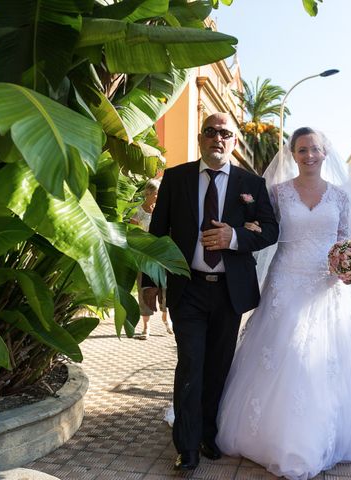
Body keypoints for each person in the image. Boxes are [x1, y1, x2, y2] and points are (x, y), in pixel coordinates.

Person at [215, 127, 351, 480]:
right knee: (287, 353)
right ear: (293, 154)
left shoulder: (339, 197)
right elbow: (264, 231)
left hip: (327, 286)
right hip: (285, 283)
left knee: (327, 360)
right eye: (302, 149)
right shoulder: (277, 193)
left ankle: (326, 435)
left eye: (315, 149)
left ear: (326, 153)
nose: (309, 155)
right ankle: (280, 437)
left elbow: (346, 240)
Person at [142, 112, 279, 471]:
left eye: (225, 133)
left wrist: (234, 237)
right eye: (210, 132)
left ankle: (207, 433)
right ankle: (186, 446)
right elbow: (157, 234)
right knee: (190, 363)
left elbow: (270, 230)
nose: (217, 138)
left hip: (229, 292)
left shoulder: (252, 184)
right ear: (201, 138)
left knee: (218, 367)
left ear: (234, 142)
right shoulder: (176, 178)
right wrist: (148, 283)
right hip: (188, 289)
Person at [130, 179, 173, 339]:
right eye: (156, 194)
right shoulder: (138, 212)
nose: (158, 197)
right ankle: (146, 327)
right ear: (148, 194)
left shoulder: (165, 211)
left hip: (163, 257)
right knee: (145, 289)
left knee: (166, 288)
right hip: (146, 258)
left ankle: (166, 318)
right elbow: (132, 234)